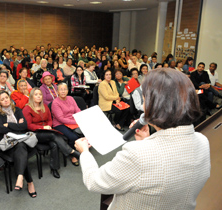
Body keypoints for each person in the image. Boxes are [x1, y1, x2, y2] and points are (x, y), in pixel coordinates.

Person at [75, 68, 210, 210]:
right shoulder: (202, 141)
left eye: (145, 100)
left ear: (154, 106)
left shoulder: (138, 154)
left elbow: (94, 182)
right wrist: (147, 141)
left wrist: (84, 152)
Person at [23, 88, 80, 178]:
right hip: (35, 134)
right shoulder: (27, 108)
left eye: (40, 94)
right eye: (36, 94)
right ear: (31, 96)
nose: (38, 96)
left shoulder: (44, 106)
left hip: (47, 132)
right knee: (54, 135)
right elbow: (29, 126)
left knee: (54, 144)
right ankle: (72, 151)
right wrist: (42, 127)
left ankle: (54, 168)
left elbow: (50, 120)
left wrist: (48, 126)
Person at [0, 90, 36, 196]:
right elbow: (0, 129)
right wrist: (15, 125)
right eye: (2, 99)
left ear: (9, 98)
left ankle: (20, 177)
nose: (5, 100)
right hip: (5, 144)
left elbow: (24, 126)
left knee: (20, 147)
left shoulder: (17, 110)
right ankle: (29, 182)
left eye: (6, 97)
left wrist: (8, 125)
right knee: (21, 152)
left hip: (20, 140)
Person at [51, 83, 82, 166]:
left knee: (84, 131)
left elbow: (77, 109)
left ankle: (81, 149)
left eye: (65, 89)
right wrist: (76, 121)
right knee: (73, 137)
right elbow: (61, 118)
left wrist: (79, 117)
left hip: (72, 121)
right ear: (57, 91)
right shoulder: (55, 102)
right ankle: (73, 155)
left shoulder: (71, 98)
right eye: (61, 89)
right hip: (59, 124)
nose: (63, 91)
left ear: (68, 91)